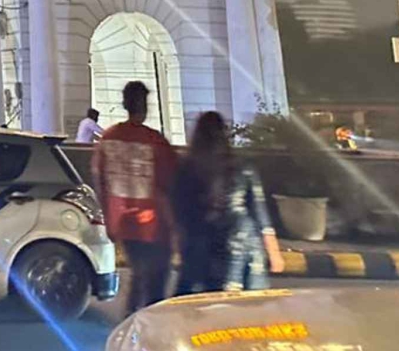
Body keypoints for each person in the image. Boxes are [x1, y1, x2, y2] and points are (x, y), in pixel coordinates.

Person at [174, 111, 285, 294]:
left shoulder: (187, 169)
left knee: (202, 304)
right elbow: (259, 213)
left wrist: (180, 245)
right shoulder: (242, 167)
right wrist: (274, 253)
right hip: (243, 239)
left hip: (203, 246)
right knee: (247, 305)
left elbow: (180, 213)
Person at [92, 80, 177, 313]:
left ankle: (131, 319)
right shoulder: (154, 141)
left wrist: (109, 219)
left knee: (139, 276)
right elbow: (171, 182)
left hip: (124, 223)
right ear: (144, 105)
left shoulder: (109, 138)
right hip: (154, 224)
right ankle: (144, 323)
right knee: (154, 281)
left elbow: (100, 181)